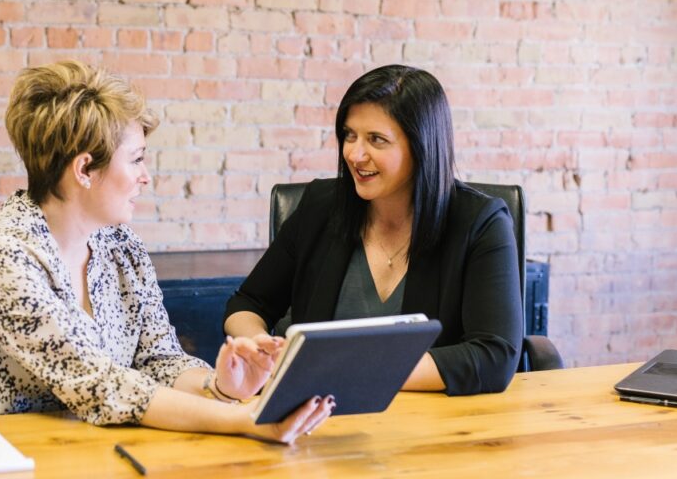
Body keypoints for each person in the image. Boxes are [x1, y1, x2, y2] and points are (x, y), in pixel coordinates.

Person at [0, 60, 332, 443]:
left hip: (77, 446)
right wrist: (245, 419)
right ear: (84, 169)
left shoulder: (120, 246)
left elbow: (159, 359)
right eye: (135, 160)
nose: (146, 177)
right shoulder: (4, 257)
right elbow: (100, 385)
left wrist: (221, 386)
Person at [224, 64, 523, 395]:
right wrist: (260, 348)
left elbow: (494, 356)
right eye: (350, 135)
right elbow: (248, 303)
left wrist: (346, 370)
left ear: (422, 146)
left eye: (376, 140)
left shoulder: (480, 222)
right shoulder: (321, 207)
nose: (354, 154)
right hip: (316, 417)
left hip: (431, 422)